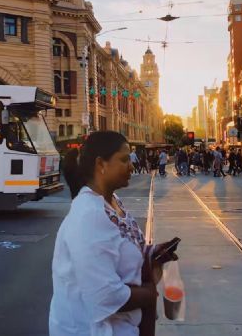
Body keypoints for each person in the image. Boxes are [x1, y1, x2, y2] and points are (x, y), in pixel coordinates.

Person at [50, 131, 179, 336]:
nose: (132, 165)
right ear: (101, 164)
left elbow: (122, 244)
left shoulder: (112, 201)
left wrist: (152, 252)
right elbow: (105, 296)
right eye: (124, 159)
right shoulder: (89, 216)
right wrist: (149, 292)